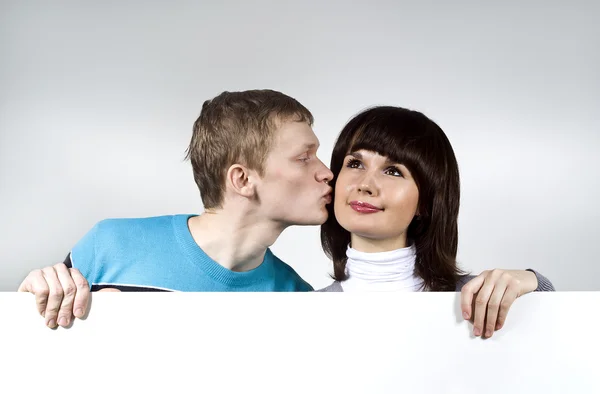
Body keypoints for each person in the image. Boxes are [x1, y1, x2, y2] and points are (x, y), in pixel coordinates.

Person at [18, 89, 334, 328]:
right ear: (242, 179)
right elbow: (34, 357)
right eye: (304, 157)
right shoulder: (109, 245)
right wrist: (27, 303)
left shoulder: (296, 299)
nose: (326, 173)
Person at [318, 106, 554, 338]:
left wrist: (533, 283)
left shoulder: (476, 300)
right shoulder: (305, 309)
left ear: (426, 202)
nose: (365, 185)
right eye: (355, 164)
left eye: (393, 171)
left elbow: (558, 333)